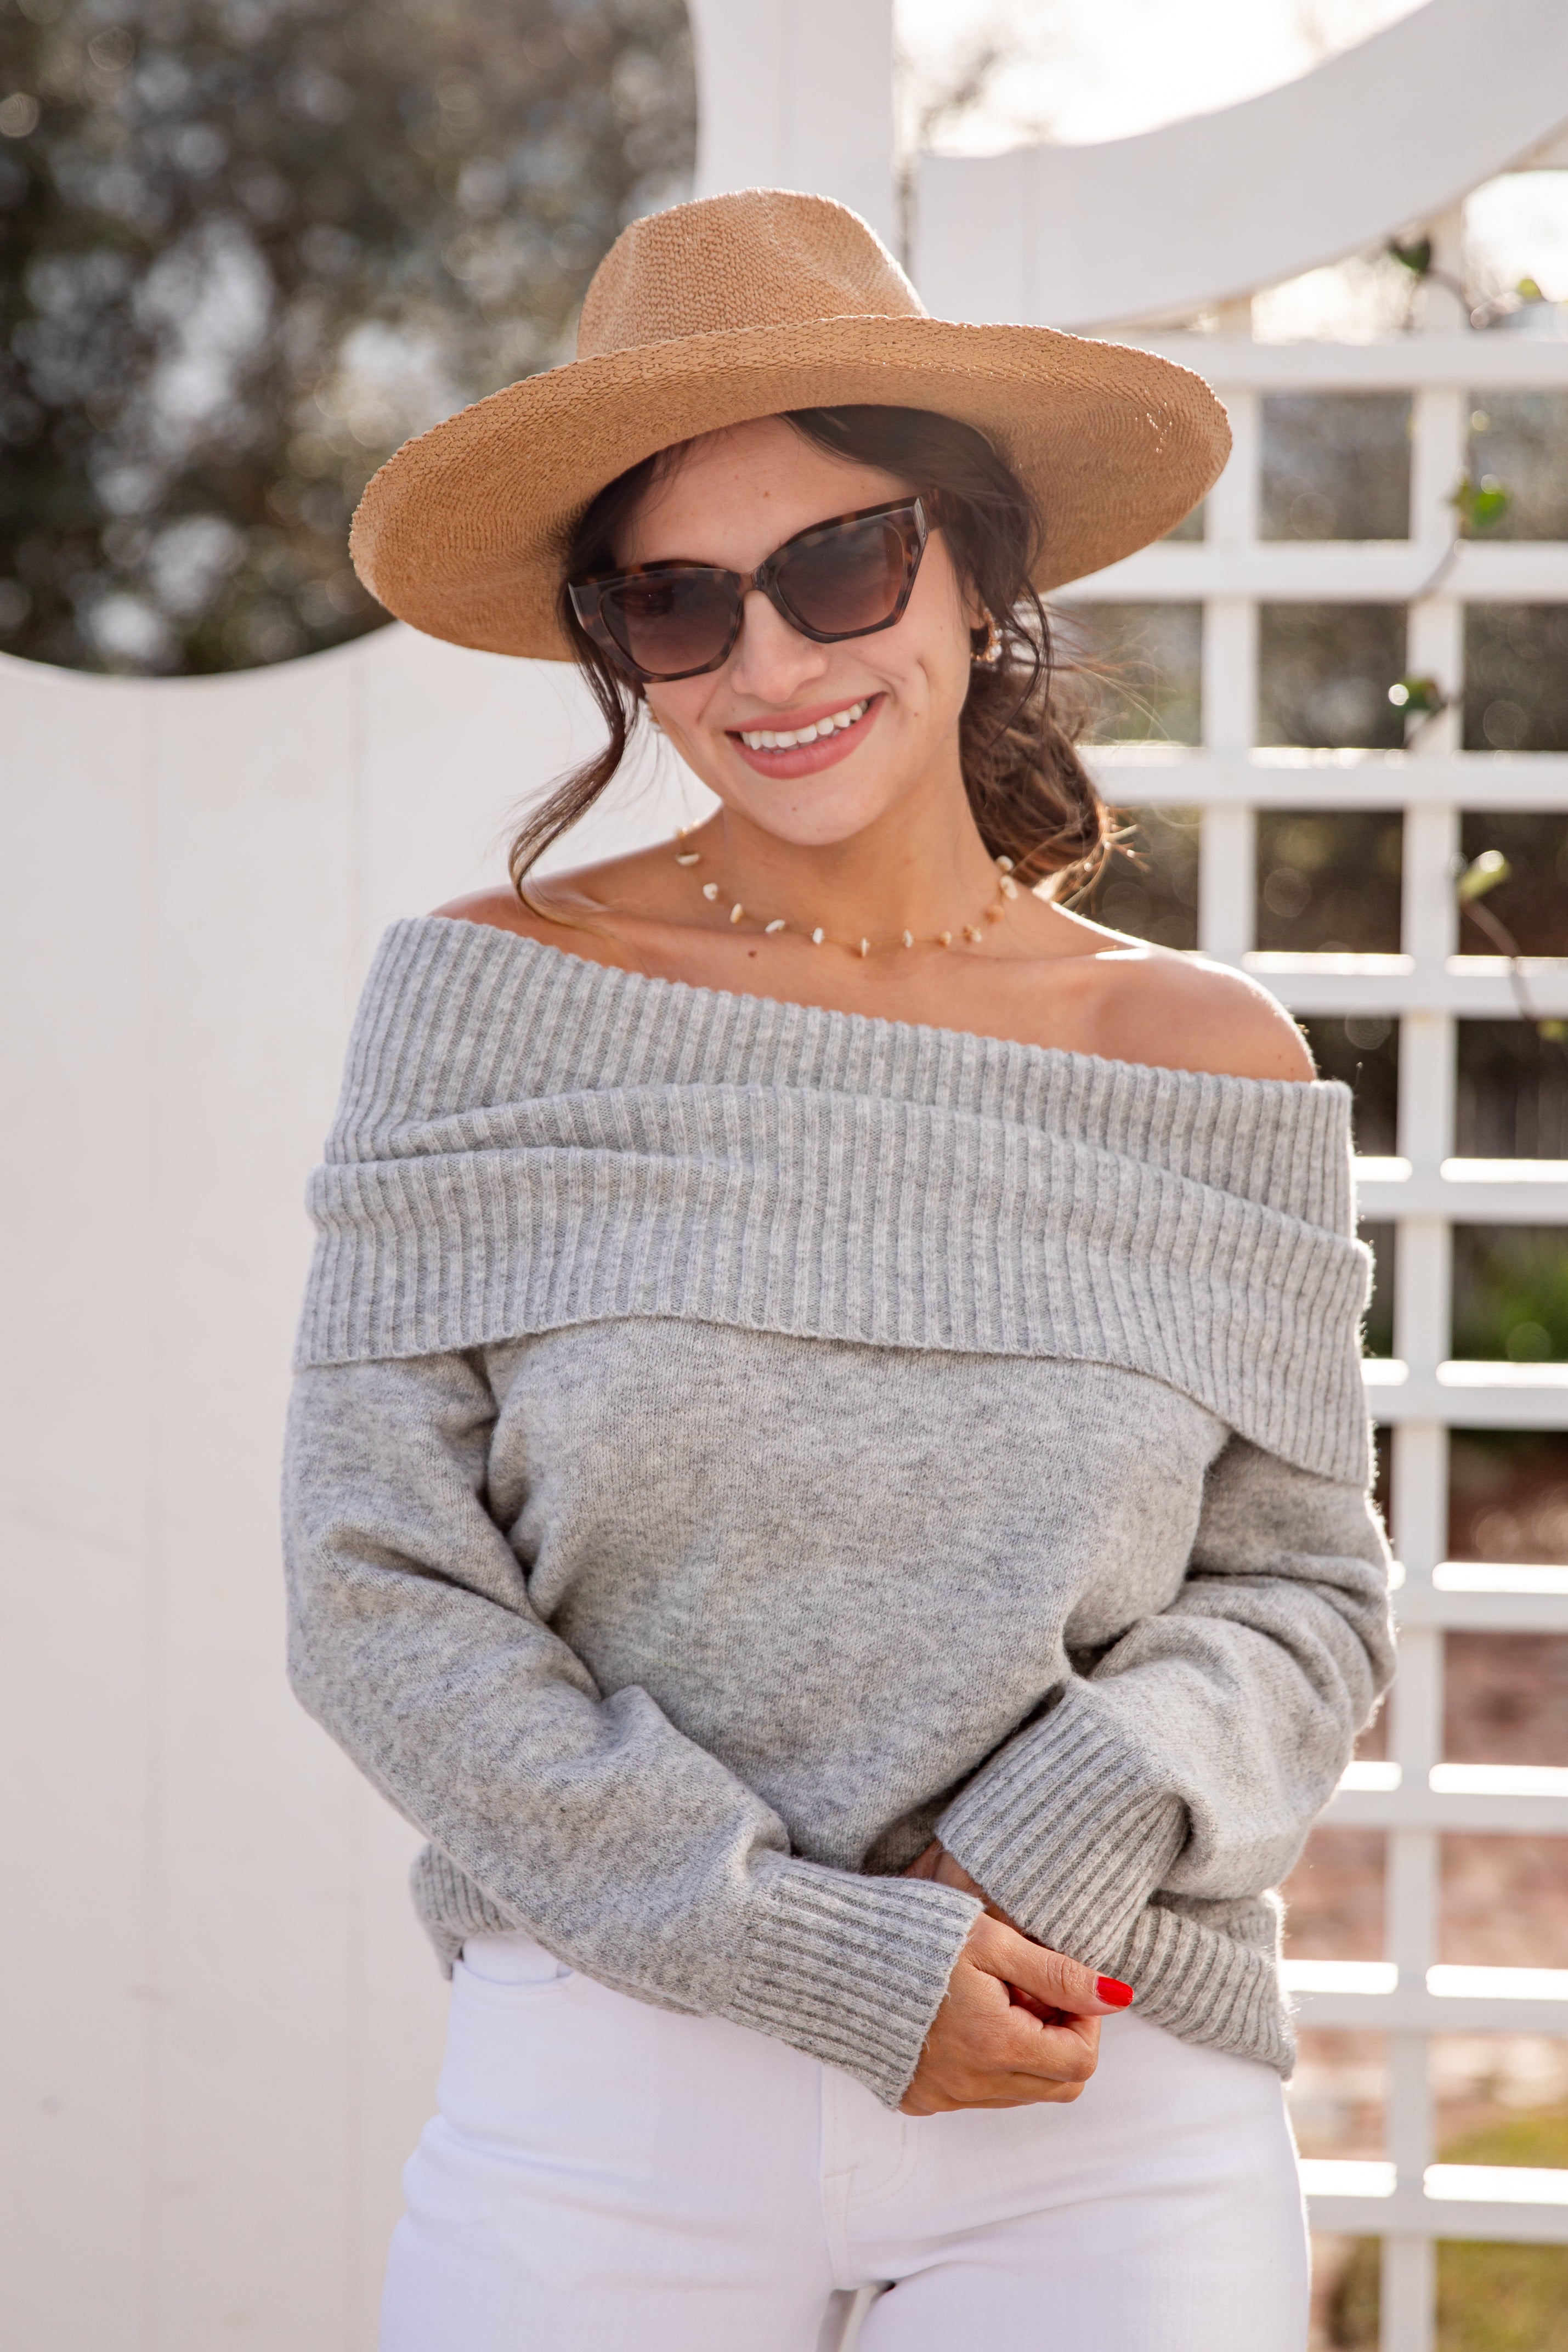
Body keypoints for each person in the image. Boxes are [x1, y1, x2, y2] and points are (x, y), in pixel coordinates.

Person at [283, 188, 1394, 2351]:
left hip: (1098, 2068)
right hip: (612, 2083)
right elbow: (374, 1590)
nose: (771, 665)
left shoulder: (1198, 1055)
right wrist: (806, 1953)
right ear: (614, 642)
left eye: (839, 567)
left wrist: (1026, 1868)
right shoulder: (482, 1005)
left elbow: (1303, 1601)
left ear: (977, 568)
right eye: (677, 605)